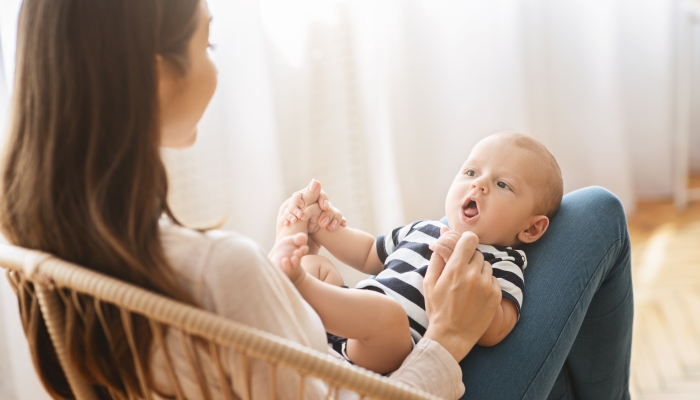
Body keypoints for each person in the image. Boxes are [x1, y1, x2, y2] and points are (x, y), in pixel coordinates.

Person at [0, 0, 633, 398]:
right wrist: (448, 337)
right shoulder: (218, 268)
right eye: (208, 43)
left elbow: (346, 280)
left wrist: (298, 273)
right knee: (599, 211)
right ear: (158, 75)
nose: (476, 186)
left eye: (500, 185)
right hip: (405, 377)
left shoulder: (37, 241)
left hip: (346, 353)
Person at [273, 132, 562, 375]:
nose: (479, 184)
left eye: (502, 185)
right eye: (471, 172)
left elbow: (496, 330)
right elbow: (366, 254)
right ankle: (293, 269)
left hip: (383, 356)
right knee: (317, 264)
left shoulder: (503, 263)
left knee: (390, 318)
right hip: (337, 330)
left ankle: (292, 283)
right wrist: (321, 225)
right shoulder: (425, 229)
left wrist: (459, 271)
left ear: (532, 229)